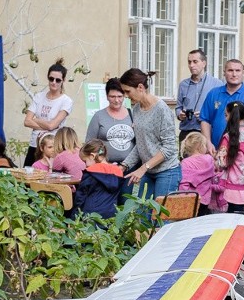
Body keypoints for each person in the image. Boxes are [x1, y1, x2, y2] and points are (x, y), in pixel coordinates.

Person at [118, 68, 181, 198]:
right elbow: (142, 143)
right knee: (142, 214)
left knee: (161, 217)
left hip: (167, 171)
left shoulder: (162, 109)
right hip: (148, 171)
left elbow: (169, 147)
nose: (125, 96)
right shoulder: (136, 109)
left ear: (140, 87)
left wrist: (143, 168)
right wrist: (124, 165)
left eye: (127, 91)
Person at [199, 59, 244, 149]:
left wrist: (239, 143)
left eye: (237, 71)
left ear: (243, 72)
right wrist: (208, 142)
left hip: (240, 151)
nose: (234, 74)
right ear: (224, 73)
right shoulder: (213, 93)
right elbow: (205, 120)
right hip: (214, 149)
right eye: (230, 70)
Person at [22, 60, 74, 166]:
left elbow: (52, 126)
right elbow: (27, 121)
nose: (54, 82)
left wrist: (36, 120)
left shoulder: (66, 101)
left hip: (53, 147)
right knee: (27, 176)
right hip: (35, 144)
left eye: (58, 80)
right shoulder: (39, 96)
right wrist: (48, 124)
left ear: (63, 80)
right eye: (51, 79)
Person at [216, 101, 244, 213]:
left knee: (232, 219)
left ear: (232, 115)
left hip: (232, 188)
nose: (225, 119)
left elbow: (222, 163)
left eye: (226, 115)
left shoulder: (228, 138)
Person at [85, 78, 135, 164]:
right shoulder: (99, 116)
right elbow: (89, 144)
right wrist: (100, 160)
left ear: (124, 96)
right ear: (107, 96)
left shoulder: (133, 114)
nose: (116, 100)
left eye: (119, 96)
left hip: (130, 167)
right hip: (106, 166)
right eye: (112, 96)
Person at [176, 49, 222, 141]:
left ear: (204, 63)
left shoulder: (217, 84)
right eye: (189, 62)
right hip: (186, 133)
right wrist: (180, 114)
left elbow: (220, 107)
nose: (191, 65)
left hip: (206, 132)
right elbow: (178, 107)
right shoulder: (183, 85)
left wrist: (205, 115)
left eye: (195, 62)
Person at [72, 140, 124, 219]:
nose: (85, 165)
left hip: (90, 215)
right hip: (110, 214)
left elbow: (81, 196)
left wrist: (74, 216)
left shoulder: (90, 172)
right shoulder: (118, 172)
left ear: (92, 156)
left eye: (85, 161)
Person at [179, 132, 217, 216]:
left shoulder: (185, 163)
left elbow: (184, 184)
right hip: (206, 200)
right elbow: (214, 175)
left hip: (191, 200)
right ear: (201, 146)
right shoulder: (209, 159)